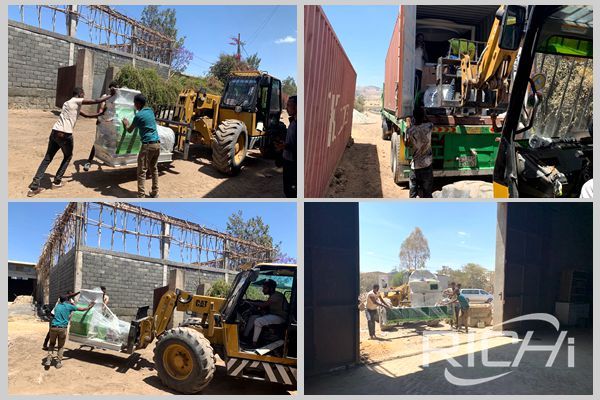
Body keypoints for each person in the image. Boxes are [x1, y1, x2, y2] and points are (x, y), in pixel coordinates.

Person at [27, 87, 115, 197]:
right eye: (83, 94)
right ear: (80, 94)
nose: (84, 96)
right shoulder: (77, 100)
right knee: (68, 156)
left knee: (47, 158)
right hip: (65, 134)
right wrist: (111, 95)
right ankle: (57, 182)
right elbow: (96, 101)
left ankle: (34, 186)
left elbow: (86, 115)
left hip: (55, 132)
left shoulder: (67, 103)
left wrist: (99, 115)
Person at [122, 94, 161, 198]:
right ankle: (155, 192)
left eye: (135, 103)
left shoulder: (138, 116)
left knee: (141, 171)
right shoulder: (150, 111)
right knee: (154, 168)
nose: (134, 105)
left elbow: (130, 130)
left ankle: (141, 196)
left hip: (147, 146)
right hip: (157, 144)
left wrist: (126, 123)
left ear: (138, 104)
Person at [45, 295, 94, 369]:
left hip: (53, 327)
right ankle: (58, 362)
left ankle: (48, 359)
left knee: (52, 344)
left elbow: (58, 315)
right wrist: (89, 307)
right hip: (62, 328)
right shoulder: (68, 306)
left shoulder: (57, 306)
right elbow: (82, 309)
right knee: (61, 346)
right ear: (66, 300)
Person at [83, 81, 119, 172]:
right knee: (98, 141)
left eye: (116, 88)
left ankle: (107, 160)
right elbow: (101, 108)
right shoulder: (105, 97)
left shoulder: (118, 98)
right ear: (110, 88)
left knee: (111, 142)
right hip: (103, 122)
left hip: (113, 123)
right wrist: (99, 118)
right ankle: (89, 161)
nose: (115, 90)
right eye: (113, 88)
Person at [243, 279, 288, 347]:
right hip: (274, 315)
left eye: (265, 288)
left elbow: (263, 305)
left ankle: (254, 343)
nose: (263, 290)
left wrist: (249, 302)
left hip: (281, 317)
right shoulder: (273, 295)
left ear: (271, 288)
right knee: (253, 317)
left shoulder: (277, 296)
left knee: (258, 321)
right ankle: (245, 337)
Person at [404, 107, 434, 198]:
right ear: (423, 116)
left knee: (412, 194)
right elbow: (430, 121)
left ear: (414, 117)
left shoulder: (410, 130)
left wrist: (408, 126)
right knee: (427, 193)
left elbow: (406, 144)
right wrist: (425, 115)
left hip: (415, 167)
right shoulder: (429, 127)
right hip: (427, 166)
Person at [277, 95, 297, 198]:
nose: (287, 107)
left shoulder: (298, 125)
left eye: (289, 105)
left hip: (292, 164)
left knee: (291, 191)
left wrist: (285, 146)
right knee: (287, 189)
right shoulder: (292, 122)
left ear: (297, 107)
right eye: (287, 105)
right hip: (287, 161)